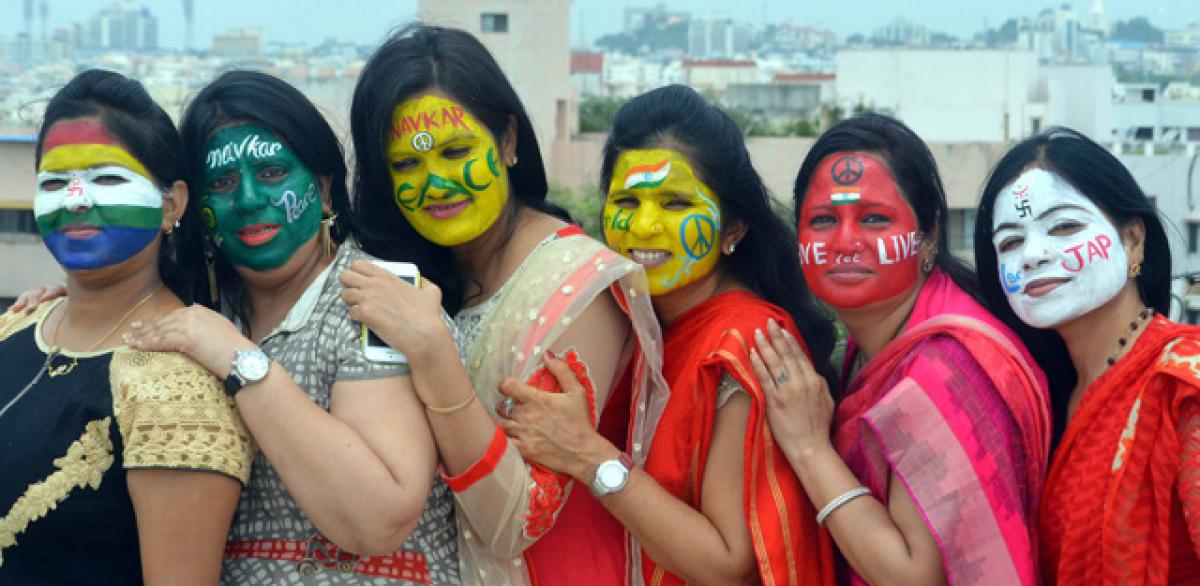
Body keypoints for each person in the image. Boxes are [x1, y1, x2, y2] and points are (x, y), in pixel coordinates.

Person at [345, 24, 666, 585]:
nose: (437, 182)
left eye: (456, 150)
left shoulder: (578, 286)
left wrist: (431, 351)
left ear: (509, 141)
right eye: (407, 165)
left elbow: (517, 519)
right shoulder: (419, 275)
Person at [118, 71, 458, 584]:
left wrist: (240, 360)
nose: (250, 199)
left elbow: (378, 517)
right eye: (224, 183)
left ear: (323, 188)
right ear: (195, 205)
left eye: (273, 173)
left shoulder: (377, 299)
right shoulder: (199, 312)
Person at [493, 84, 839, 586]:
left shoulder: (747, 341)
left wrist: (586, 455)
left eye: (675, 204)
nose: (645, 226)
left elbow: (725, 563)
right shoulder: (628, 320)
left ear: (733, 227)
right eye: (628, 201)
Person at [749, 113, 1052, 585]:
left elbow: (914, 577)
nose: (846, 243)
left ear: (928, 235)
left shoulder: (944, 369)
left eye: (874, 219)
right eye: (824, 220)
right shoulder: (881, 343)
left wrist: (808, 448)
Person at [0, 70, 254, 583]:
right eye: (53, 183)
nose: (74, 199)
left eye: (108, 179)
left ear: (172, 203)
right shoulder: (17, 323)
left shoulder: (178, 386)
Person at [972, 127, 1200, 584]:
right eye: (1011, 243)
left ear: (1134, 240)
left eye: (1064, 226)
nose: (1032, 255)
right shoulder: (1037, 398)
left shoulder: (1182, 384)